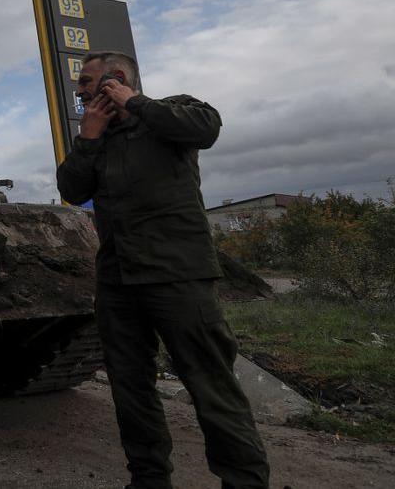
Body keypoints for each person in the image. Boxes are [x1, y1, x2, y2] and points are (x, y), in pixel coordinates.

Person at [56, 51, 269, 489]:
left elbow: (206, 129)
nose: (80, 93)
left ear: (115, 78)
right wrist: (88, 139)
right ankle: (149, 480)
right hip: (118, 281)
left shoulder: (171, 112)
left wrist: (134, 102)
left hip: (177, 276)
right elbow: (72, 190)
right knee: (130, 388)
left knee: (211, 387)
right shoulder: (98, 138)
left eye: (87, 82)